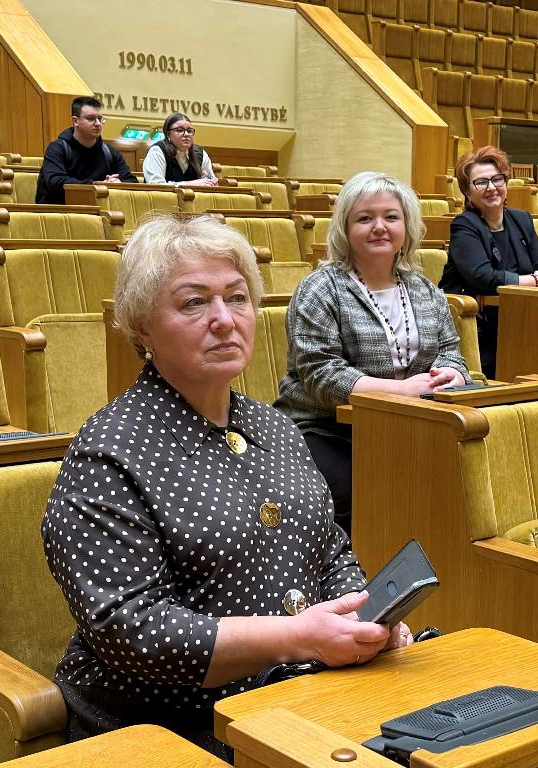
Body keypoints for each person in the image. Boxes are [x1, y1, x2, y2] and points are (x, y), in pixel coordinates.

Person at [41, 214, 411, 758]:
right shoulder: (109, 451)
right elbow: (132, 630)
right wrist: (296, 638)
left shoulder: (275, 426)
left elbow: (330, 551)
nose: (223, 320)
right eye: (194, 303)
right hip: (170, 728)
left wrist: (361, 618)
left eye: (237, 298)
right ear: (141, 329)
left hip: (299, 695)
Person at [275, 172, 471, 534]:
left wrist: (452, 374)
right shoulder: (321, 288)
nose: (379, 227)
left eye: (391, 217)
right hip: (327, 427)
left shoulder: (424, 289)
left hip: (409, 424)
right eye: (365, 218)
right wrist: (402, 390)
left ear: (406, 227)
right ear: (345, 228)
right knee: (356, 486)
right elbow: (321, 375)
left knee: (463, 476)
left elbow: (450, 351)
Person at [439, 146, 538, 379]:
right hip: (476, 324)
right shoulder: (465, 225)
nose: (491, 187)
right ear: (467, 191)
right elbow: (482, 278)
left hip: (518, 316)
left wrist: (500, 289)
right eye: (481, 182)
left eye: (497, 179)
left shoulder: (521, 219)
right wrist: (533, 281)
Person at [35, 96, 137, 204]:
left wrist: (118, 183)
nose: (98, 123)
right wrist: (97, 186)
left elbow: (132, 181)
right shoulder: (57, 149)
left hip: (100, 209)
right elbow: (55, 182)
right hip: (62, 210)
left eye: (100, 119)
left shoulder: (109, 152)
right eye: (91, 118)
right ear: (75, 121)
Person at [142, 113, 218, 186]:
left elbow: (212, 183)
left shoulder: (200, 153)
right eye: (180, 130)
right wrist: (190, 184)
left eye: (189, 131)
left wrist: (210, 183)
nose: (186, 134)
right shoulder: (157, 151)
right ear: (168, 134)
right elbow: (156, 185)